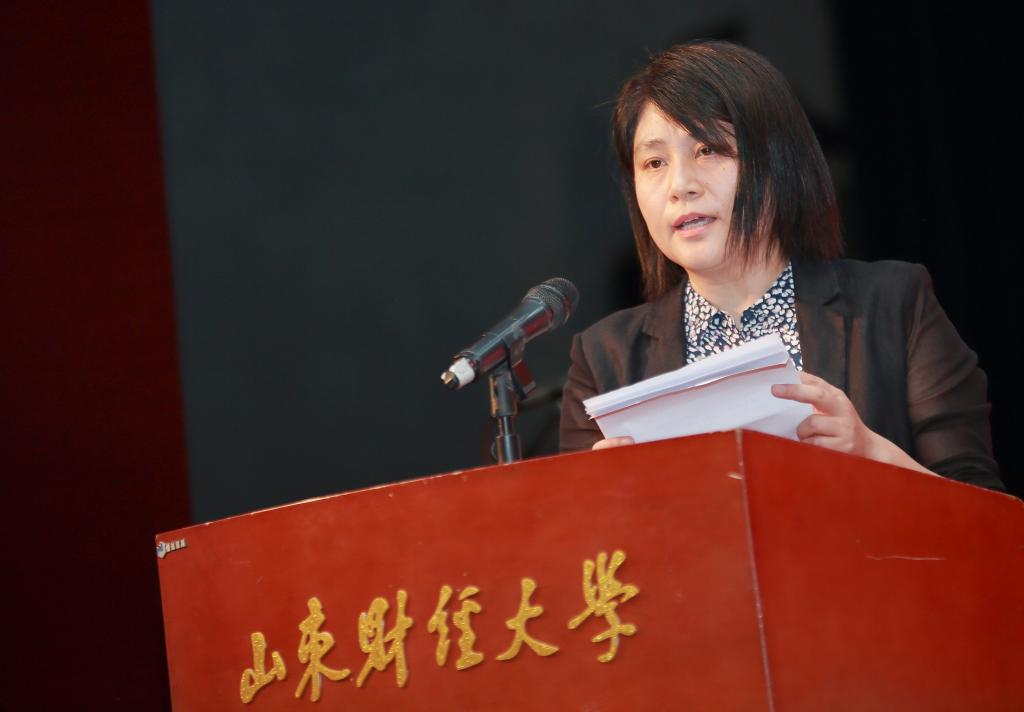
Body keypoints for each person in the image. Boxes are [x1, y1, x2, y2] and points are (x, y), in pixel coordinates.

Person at [559, 40, 1004, 491]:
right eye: (654, 162)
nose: (680, 185)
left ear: (776, 162)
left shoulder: (894, 305)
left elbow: (986, 520)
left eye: (708, 150)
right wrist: (609, 504)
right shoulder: (604, 360)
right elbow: (574, 533)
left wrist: (871, 452)